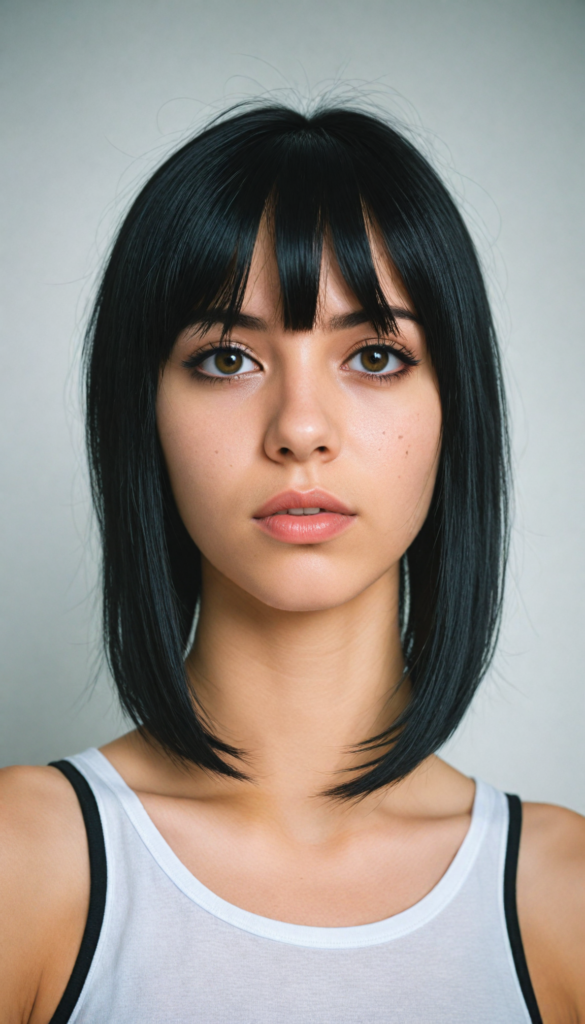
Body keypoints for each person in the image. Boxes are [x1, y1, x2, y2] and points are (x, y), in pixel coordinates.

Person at [1, 103, 583, 1024]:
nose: (300, 428)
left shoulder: (567, 900)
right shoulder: (22, 863)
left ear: (453, 410)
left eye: (377, 355)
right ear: (140, 413)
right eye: (227, 357)